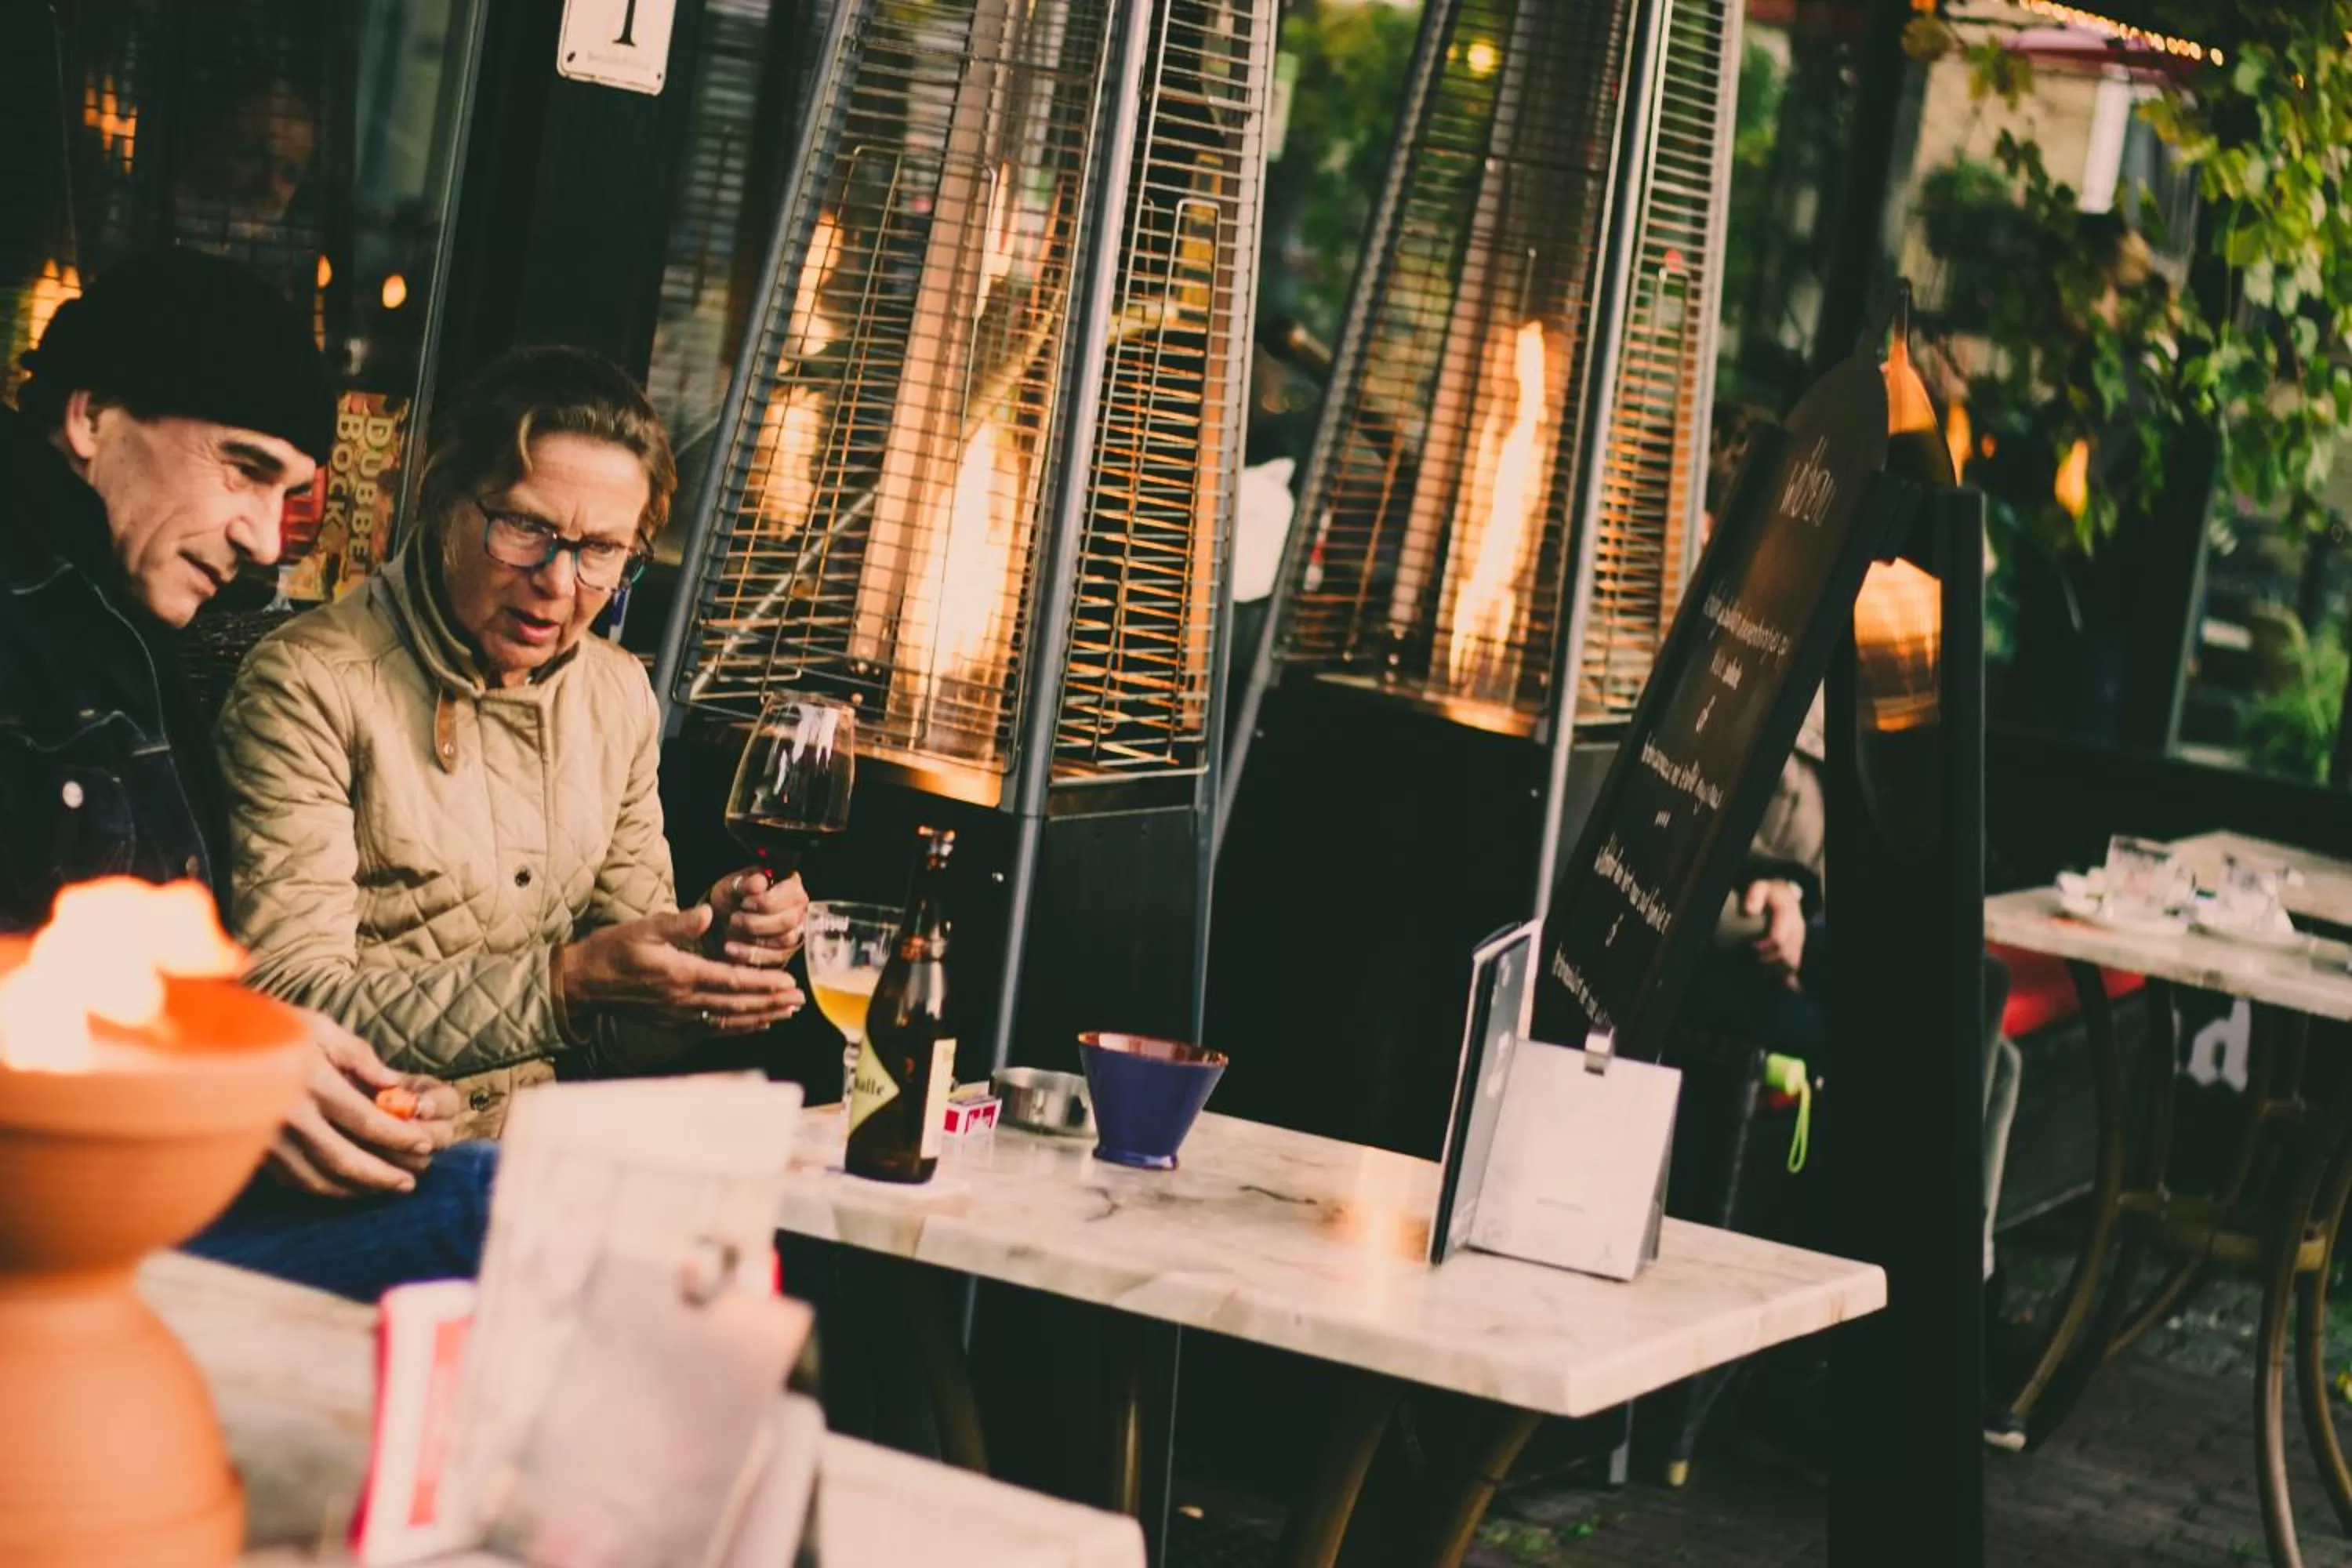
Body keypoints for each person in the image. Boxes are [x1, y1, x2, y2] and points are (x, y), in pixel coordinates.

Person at [0, 248, 490, 1299]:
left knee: (529, 1197)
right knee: (509, 1219)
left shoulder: (121, 634)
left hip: (129, 1200)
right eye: (243, 467)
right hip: (51, 1245)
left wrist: (297, 1070)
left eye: (292, 494)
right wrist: (213, 1073)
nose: (264, 540)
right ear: (93, 420)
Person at [215, 346, 807, 1139]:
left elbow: (626, 1033)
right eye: (526, 528)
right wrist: (566, 983)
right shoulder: (310, 683)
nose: (560, 583)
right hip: (367, 1157)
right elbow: (290, 1008)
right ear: (444, 501)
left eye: (602, 550)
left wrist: (709, 956)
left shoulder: (614, 693)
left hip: (537, 1164)